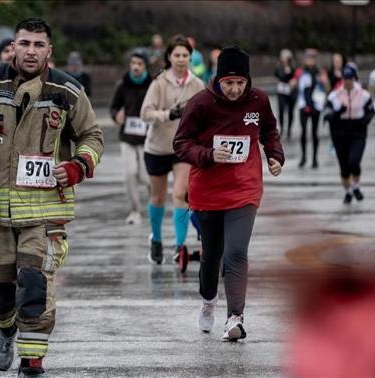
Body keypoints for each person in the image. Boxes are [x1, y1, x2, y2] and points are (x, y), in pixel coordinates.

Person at [0, 18, 103, 377]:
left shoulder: (68, 91)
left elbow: (93, 135)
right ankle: (4, 327)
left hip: (44, 209)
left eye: (38, 45)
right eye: (24, 43)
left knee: (35, 282)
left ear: (49, 51)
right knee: (0, 289)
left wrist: (77, 165)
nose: (30, 51)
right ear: (13, 46)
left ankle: (32, 364)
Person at [174, 45, 284, 341]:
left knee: (236, 253)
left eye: (240, 83)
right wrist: (209, 154)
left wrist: (275, 156)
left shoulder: (259, 100)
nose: (235, 89)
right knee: (212, 254)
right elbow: (181, 143)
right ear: (218, 80)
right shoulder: (201, 103)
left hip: (243, 188)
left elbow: (269, 132)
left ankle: (235, 318)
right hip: (207, 190)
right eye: (228, 82)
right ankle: (208, 300)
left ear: (248, 81)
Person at [140, 35, 204, 267]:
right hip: (157, 147)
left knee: (180, 194)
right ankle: (156, 239)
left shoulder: (197, 84)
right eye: (176, 55)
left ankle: (180, 247)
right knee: (157, 197)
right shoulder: (159, 83)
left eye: (185, 55)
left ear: (190, 57)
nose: (181, 59)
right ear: (169, 57)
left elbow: (205, 114)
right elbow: (145, 113)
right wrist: (169, 114)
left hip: (183, 148)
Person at [109, 49, 152, 225]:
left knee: (146, 176)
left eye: (139, 64)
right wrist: (116, 115)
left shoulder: (153, 84)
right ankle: (135, 211)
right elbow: (114, 107)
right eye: (133, 63)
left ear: (145, 66)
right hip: (127, 137)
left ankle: (154, 206)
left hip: (147, 138)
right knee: (129, 174)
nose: (135, 67)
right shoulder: (122, 84)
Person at [325, 63, 374, 204]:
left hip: (357, 132)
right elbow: (327, 115)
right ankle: (348, 192)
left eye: (350, 78)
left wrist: (364, 121)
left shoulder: (363, 94)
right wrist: (337, 112)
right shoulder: (335, 95)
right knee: (344, 167)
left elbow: (371, 110)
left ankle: (356, 186)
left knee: (354, 161)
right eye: (345, 78)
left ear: (355, 79)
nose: (347, 81)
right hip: (339, 133)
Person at [295, 49, 329, 168]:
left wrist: (325, 82)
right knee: (303, 131)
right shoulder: (300, 72)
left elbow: (326, 89)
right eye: (308, 57)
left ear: (315, 59)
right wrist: (295, 80)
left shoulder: (320, 72)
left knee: (314, 132)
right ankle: (303, 157)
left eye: (312, 57)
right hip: (303, 104)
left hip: (316, 105)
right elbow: (294, 86)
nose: (310, 60)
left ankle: (314, 159)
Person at [274, 49, 297, 140]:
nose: (283, 58)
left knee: (290, 111)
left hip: (290, 91)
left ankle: (289, 130)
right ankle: (282, 129)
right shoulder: (279, 66)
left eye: (285, 56)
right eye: (282, 56)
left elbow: (296, 76)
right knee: (281, 109)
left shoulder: (293, 66)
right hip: (281, 91)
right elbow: (276, 75)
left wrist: (293, 80)